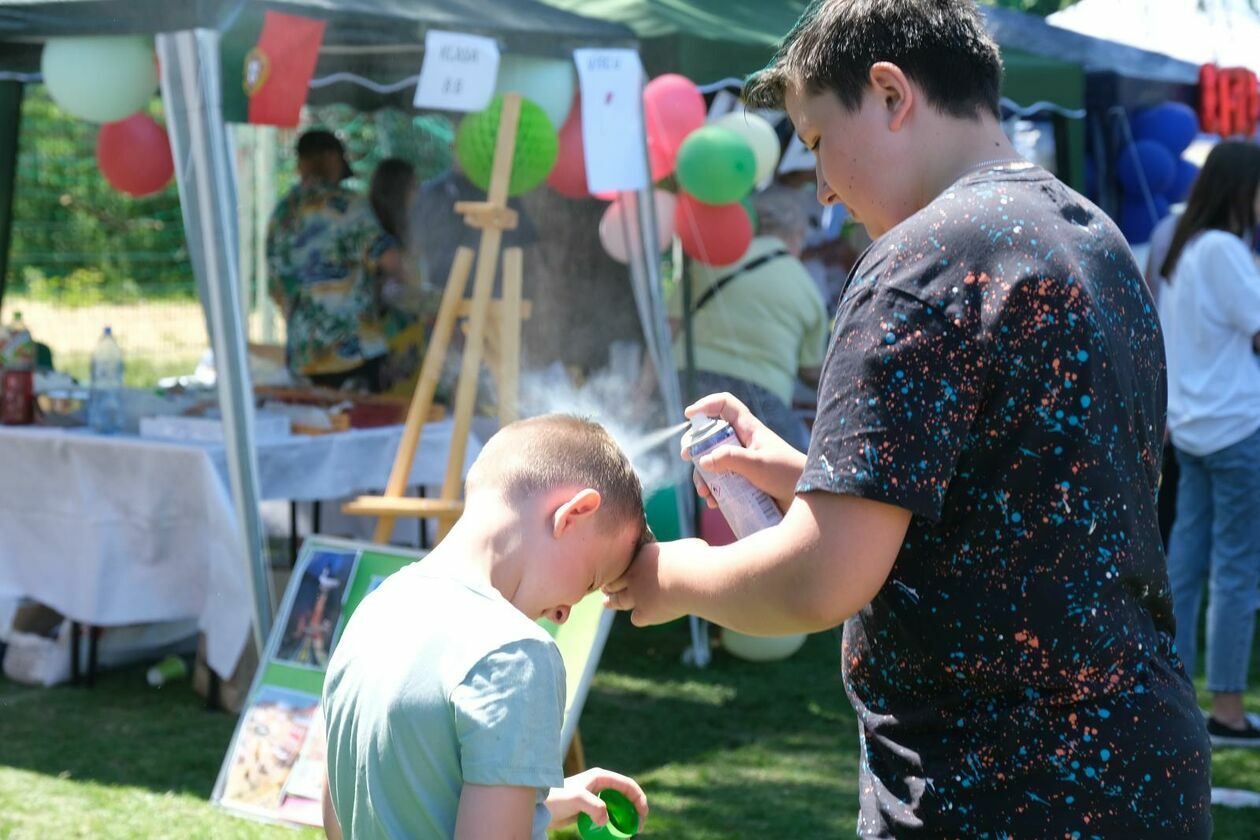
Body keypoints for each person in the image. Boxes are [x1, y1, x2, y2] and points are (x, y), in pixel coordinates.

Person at [603, 1, 1212, 835]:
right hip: (1142, 769)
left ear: (890, 93)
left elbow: (821, 579)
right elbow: (1023, 496)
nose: (819, 188)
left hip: (991, 788)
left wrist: (664, 579)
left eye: (816, 142)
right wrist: (804, 471)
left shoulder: (917, 263)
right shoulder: (1089, 234)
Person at [321, 415, 651, 839]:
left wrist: (538, 802)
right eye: (589, 581)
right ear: (574, 514)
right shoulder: (515, 653)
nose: (565, 613)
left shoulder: (375, 611)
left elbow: (344, 812)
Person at [1158, 140, 1260, 748]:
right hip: (1235, 427)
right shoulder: (1222, 248)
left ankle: (1177, 693)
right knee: (1235, 570)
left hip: (1193, 428)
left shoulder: (1184, 244)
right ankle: (1227, 708)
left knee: (1186, 566)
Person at [670, 185, 830, 451]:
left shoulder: (712, 259)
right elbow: (813, 369)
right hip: (764, 402)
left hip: (688, 382)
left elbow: (670, 328)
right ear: (797, 236)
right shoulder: (809, 290)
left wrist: (641, 395)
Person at [267, 130, 389, 391]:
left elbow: (276, 285)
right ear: (334, 159)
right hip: (352, 355)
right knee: (360, 428)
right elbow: (388, 258)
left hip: (303, 353)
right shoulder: (348, 205)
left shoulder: (282, 212)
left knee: (318, 427)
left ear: (300, 164)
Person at [366, 158, 434, 396]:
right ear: (398, 191)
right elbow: (395, 291)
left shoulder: (406, 235)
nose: (418, 194)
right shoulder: (381, 241)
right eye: (414, 187)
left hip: (411, 342)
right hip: (391, 347)